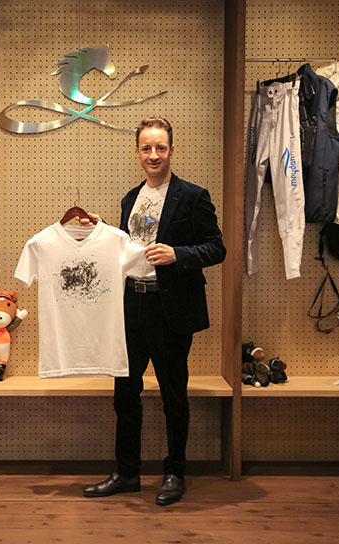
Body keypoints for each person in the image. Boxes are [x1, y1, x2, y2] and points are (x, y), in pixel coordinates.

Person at [82, 117, 226, 505]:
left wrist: (178, 254)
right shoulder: (130, 198)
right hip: (131, 305)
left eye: (160, 147)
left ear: (172, 150)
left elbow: (217, 248)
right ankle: (127, 473)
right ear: (137, 152)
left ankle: (175, 472)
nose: (154, 155)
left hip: (171, 309)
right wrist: (103, 230)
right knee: (125, 394)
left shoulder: (193, 196)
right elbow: (129, 247)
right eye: (146, 148)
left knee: (173, 394)